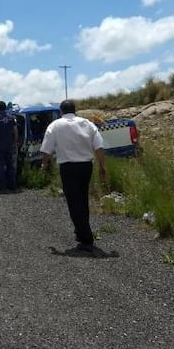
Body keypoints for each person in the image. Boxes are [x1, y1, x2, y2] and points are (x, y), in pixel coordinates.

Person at [40, 100, 107, 251]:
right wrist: (103, 167)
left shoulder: (55, 125)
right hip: (85, 166)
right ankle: (80, 232)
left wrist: (44, 164)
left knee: (73, 201)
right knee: (82, 198)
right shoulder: (88, 124)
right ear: (75, 110)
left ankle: (86, 237)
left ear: (61, 111)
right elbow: (99, 146)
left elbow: (46, 149)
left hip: (68, 168)